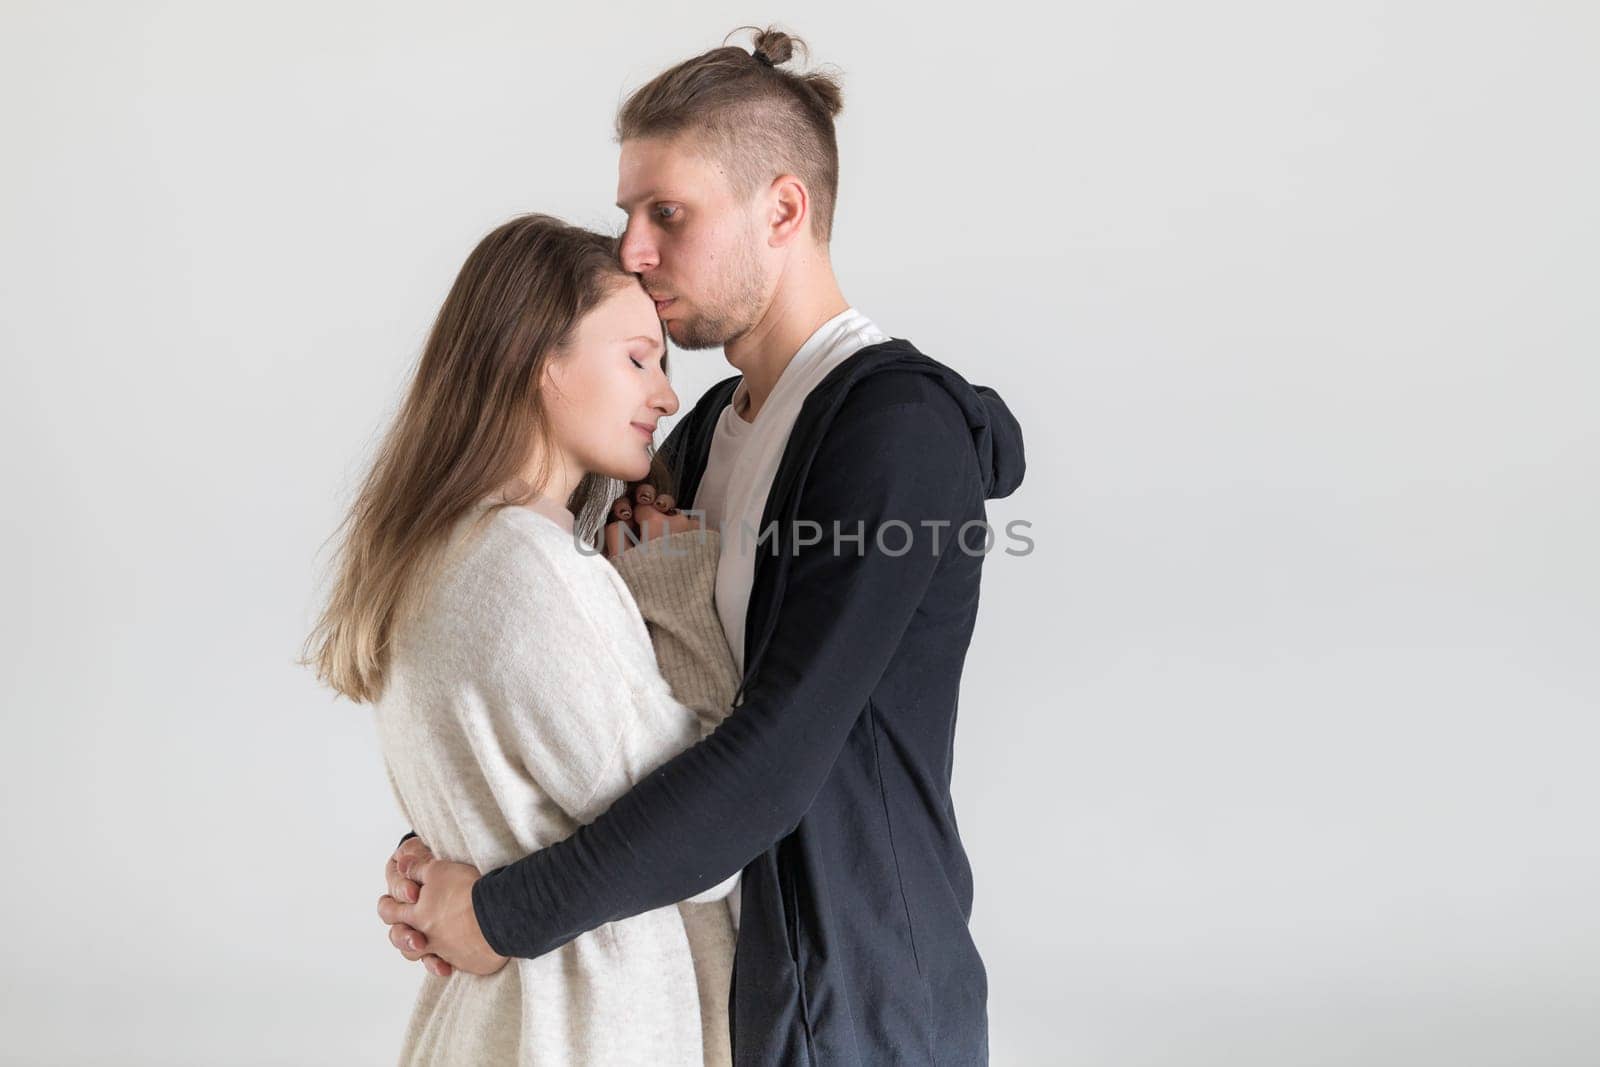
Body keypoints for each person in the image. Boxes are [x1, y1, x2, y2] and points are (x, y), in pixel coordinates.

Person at [379, 27, 1027, 1065]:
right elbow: (610, 718)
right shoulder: (692, 435)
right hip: (718, 994)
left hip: (856, 1007)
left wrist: (499, 911)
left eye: (666, 215)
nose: (632, 247)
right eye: (630, 213)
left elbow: (772, 760)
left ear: (782, 209)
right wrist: (469, 838)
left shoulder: (892, 433)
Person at [306, 214, 752, 1064]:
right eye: (637, 358)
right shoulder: (533, 568)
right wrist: (680, 597)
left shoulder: (442, 549)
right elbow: (708, 847)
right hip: (581, 1032)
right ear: (540, 359)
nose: (664, 395)